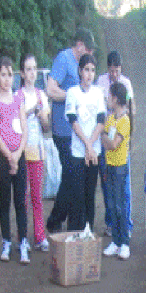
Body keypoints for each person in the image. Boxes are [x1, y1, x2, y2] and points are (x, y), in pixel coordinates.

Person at [45, 26, 93, 232]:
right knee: (72, 174)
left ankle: (57, 219)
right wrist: (73, 95)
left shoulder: (81, 65)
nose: (90, 55)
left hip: (77, 130)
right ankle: (57, 219)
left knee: (70, 175)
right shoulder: (64, 59)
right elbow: (50, 89)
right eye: (89, 50)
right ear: (80, 45)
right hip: (63, 130)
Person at [0, 55, 30, 263]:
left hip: (20, 155)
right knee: (4, 201)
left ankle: (23, 241)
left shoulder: (18, 99)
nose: (7, 79)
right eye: (3, 75)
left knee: (20, 201)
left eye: (10, 75)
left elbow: (24, 128)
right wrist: (8, 155)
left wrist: (17, 154)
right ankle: (6, 241)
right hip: (2, 157)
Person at [65, 53, 106, 231]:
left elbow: (101, 121)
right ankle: (75, 233)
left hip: (94, 153)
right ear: (80, 71)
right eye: (86, 70)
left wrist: (92, 146)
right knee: (77, 195)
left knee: (90, 194)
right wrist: (87, 145)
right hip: (78, 153)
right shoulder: (72, 93)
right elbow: (73, 121)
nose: (89, 74)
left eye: (92, 70)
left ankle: (88, 232)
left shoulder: (98, 93)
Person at [97, 49, 134, 238]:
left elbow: (131, 109)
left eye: (117, 70)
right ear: (108, 69)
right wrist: (103, 136)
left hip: (118, 136)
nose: (114, 74)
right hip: (107, 130)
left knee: (124, 188)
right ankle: (111, 223)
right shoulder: (101, 82)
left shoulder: (126, 84)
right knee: (108, 186)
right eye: (112, 70)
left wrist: (128, 137)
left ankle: (126, 225)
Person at [16, 52, 51, 250]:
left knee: (37, 196)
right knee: (23, 196)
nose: (31, 73)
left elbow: (46, 128)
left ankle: (39, 235)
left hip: (37, 151)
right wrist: (28, 112)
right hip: (21, 152)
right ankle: (23, 238)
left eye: (34, 69)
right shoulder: (17, 96)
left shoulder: (41, 95)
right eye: (28, 69)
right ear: (22, 72)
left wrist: (40, 116)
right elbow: (14, 126)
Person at [101, 81, 132, 259]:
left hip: (120, 167)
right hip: (109, 166)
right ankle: (116, 241)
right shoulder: (111, 118)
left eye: (109, 96)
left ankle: (125, 242)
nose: (107, 99)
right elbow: (105, 140)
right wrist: (106, 140)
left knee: (121, 205)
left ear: (115, 98)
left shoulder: (125, 121)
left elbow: (112, 143)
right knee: (111, 204)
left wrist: (106, 139)